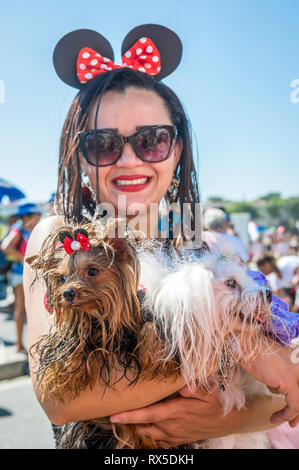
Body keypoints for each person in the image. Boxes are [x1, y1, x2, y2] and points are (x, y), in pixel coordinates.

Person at [23, 25, 299, 448]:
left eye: (151, 140)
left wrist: (227, 420)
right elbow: (62, 398)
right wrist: (236, 343)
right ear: (79, 157)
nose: (129, 160)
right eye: (103, 144)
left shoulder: (211, 248)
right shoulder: (58, 239)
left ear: (178, 150)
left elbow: (283, 394)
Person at [1, 203, 41, 352]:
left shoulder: (27, 229)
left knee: (28, 309)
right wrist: (25, 259)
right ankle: (19, 344)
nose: (38, 216)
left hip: (25, 271)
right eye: (36, 214)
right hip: (20, 273)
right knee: (21, 308)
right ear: (28, 216)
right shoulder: (19, 229)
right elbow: (6, 246)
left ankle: (25, 343)